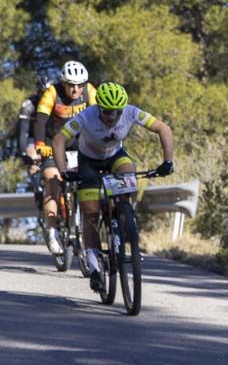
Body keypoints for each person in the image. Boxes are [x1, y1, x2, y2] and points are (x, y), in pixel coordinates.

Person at [52, 82, 174, 291]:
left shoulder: (131, 112)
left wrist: (168, 161)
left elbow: (163, 128)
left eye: (117, 112)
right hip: (88, 162)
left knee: (128, 174)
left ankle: (123, 217)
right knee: (90, 214)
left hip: (114, 156)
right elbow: (58, 140)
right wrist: (63, 170)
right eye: (107, 112)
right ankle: (94, 264)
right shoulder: (85, 117)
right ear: (98, 108)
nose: (112, 116)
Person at [32, 60, 96, 256]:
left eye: (79, 85)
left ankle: (83, 228)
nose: (76, 89)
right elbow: (40, 121)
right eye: (71, 85)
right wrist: (40, 145)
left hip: (78, 144)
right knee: (53, 181)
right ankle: (52, 233)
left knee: (87, 181)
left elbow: (98, 117)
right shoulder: (52, 92)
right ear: (64, 83)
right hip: (54, 143)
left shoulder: (90, 91)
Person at [18, 70, 59, 211]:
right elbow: (23, 132)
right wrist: (25, 153)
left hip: (51, 137)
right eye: (42, 93)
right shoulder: (29, 105)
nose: (45, 97)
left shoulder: (58, 103)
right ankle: (38, 190)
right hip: (33, 138)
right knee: (32, 159)